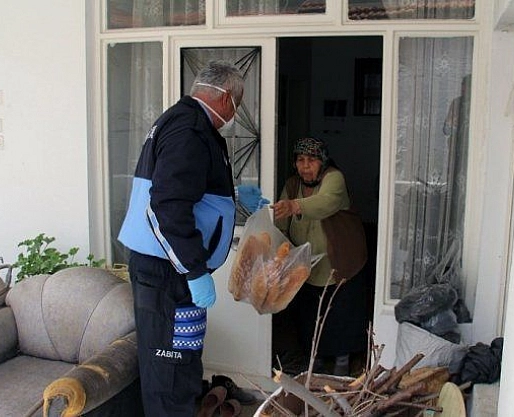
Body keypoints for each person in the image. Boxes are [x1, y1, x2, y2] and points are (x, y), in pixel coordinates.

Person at [118, 60, 243, 416]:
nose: (235, 112)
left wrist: (234, 198)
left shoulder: (185, 122)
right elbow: (167, 205)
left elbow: (188, 189)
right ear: (226, 97)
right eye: (237, 103)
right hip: (168, 275)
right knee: (170, 373)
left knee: (182, 362)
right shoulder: (189, 129)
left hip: (172, 274)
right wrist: (194, 270)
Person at [272, 136, 368, 376]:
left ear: (322, 161)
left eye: (312, 160)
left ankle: (342, 362)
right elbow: (281, 220)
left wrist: (294, 206)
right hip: (307, 264)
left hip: (339, 261)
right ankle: (316, 359)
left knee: (340, 313)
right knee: (310, 314)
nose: (305, 166)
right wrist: (280, 248)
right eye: (300, 160)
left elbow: (326, 202)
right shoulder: (293, 185)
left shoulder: (334, 177)